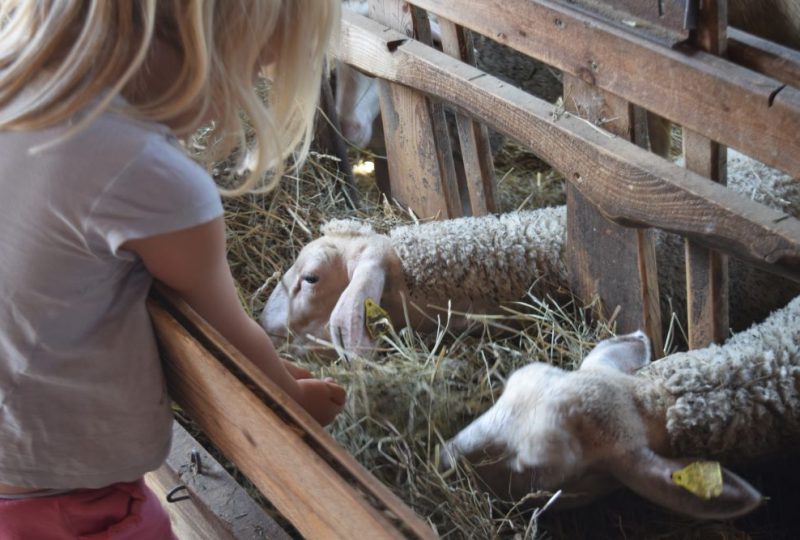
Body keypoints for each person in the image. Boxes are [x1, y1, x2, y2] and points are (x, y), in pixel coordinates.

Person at [0, 1, 344, 537]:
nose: (244, 96)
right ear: (210, 43)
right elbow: (232, 336)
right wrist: (294, 398)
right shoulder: (149, 175)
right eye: (253, 69)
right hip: (64, 503)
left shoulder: (16, 90)